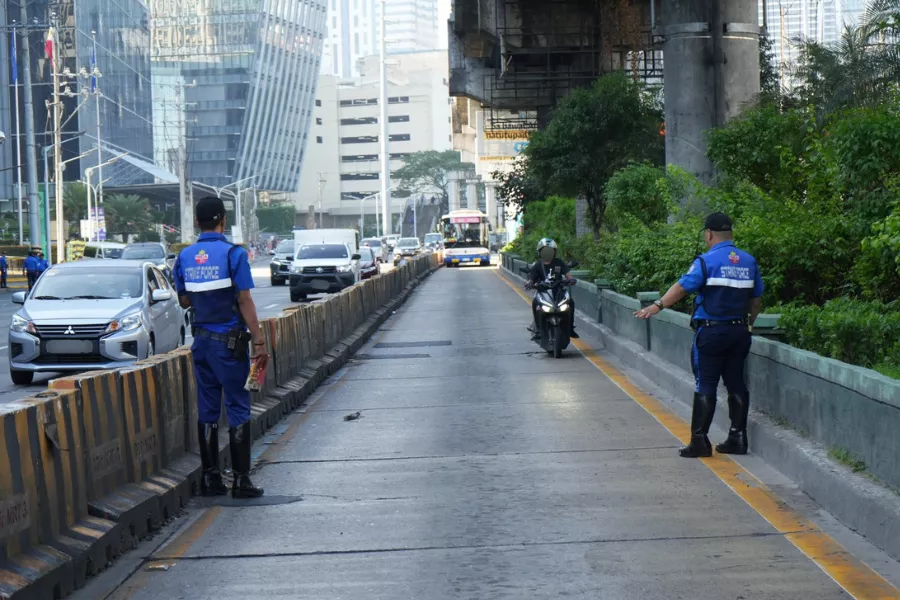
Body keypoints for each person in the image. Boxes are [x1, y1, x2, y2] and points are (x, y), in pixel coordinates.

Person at [634, 212, 763, 458]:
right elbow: (756, 301)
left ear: (709, 234)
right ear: (731, 233)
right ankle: (738, 437)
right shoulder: (748, 261)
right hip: (739, 332)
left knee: (706, 383)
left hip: (712, 332)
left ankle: (700, 441)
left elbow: (683, 287)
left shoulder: (706, 261)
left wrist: (657, 306)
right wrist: (747, 325)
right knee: (736, 382)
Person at [173, 196, 269, 499]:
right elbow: (245, 300)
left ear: (197, 223)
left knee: (208, 410)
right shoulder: (233, 255)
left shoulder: (184, 256)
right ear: (222, 220)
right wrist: (259, 339)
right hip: (230, 346)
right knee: (238, 407)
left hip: (201, 345)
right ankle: (241, 480)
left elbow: (184, 300)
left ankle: (211, 479)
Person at [524, 238, 579, 340]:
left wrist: (571, 280)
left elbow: (568, 274)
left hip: (558, 291)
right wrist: (530, 283)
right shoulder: (537, 265)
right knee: (535, 303)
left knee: (571, 302)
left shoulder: (559, 263)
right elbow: (531, 278)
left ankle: (570, 328)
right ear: (540, 252)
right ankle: (539, 330)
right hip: (543, 291)